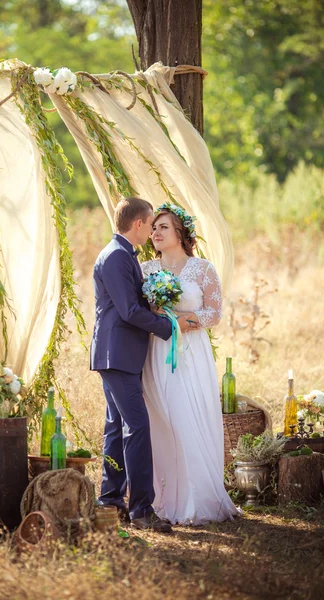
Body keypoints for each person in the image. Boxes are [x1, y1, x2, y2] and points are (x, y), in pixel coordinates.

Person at [91, 197, 193, 533]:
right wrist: (168, 327)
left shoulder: (122, 255)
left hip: (120, 355)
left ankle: (110, 501)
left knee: (117, 427)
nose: (152, 232)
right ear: (138, 224)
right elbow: (129, 312)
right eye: (151, 225)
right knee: (137, 427)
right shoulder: (117, 257)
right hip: (116, 355)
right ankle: (141, 510)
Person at [141, 203, 241, 525]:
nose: (155, 233)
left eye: (162, 227)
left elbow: (215, 312)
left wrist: (184, 319)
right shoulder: (145, 270)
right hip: (156, 352)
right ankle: (162, 498)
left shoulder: (202, 269)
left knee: (188, 417)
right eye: (153, 228)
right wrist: (160, 319)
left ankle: (198, 499)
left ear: (181, 233)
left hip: (191, 353)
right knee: (162, 420)